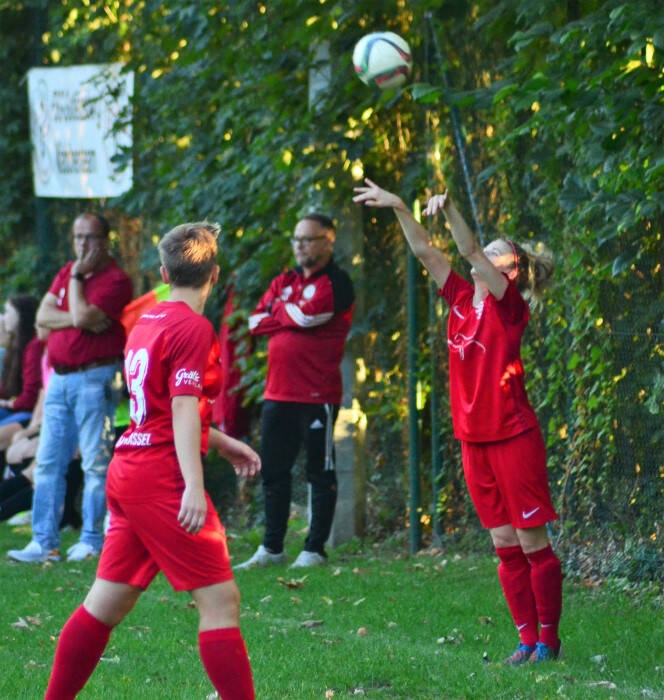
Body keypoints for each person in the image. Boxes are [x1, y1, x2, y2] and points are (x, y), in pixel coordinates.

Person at [43, 221, 260, 700]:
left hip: (129, 470)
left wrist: (219, 441)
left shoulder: (147, 321)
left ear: (163, 274)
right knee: (221, 600)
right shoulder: (194, 327)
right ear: (215, 274)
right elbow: (180, 407)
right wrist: (192, 484)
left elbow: (159, 406)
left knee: (105, 603)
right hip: (161, 477)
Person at [353, 179, 562, 664]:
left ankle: (549, 642)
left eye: (495, 252)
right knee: (504, 544)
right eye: (486, 250)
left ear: (511, 271)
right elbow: (426, 252)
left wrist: (448, 209)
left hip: (513, 436)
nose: (482, 254)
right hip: (474, 441)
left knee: (532, 543)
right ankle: (526, 641)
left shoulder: (509, 307)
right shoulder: (462, 300)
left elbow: (465, 248)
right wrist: (400, 206)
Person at [7, 212, 133, 563]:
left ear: (105, 240)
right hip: (59, 379)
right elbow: (43, 318)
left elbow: (81, 315)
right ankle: (43, 541)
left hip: (96, 377)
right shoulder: (67, 270)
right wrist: (77, 316)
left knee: (95, 462)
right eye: (77, 237)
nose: (82, 244)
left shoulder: (115, 279)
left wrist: (77, 283)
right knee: (48, 463)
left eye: (90, 237)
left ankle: (91, 540)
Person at [236, 213, 355, 570]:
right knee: (273, 471)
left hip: (317, 395)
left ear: (328, 241)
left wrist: (277, 310)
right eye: (297, 239)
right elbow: (255, 322)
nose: (300, 246)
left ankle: (314, 550)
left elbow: (307, 318)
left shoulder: (336, 282)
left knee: (319, 473)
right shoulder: (284, 280)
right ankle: (271, 549)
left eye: (308, 239)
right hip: (278, 394)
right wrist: (286, 310)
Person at [0, 295, 44, 438]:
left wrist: (7, 404)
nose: (4, 318)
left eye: (8, 312)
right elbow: (7, 387)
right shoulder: (18, 345)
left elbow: (30, 397)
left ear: (21, 316)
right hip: (17, 408)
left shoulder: (34, 347)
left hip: (29, 413)